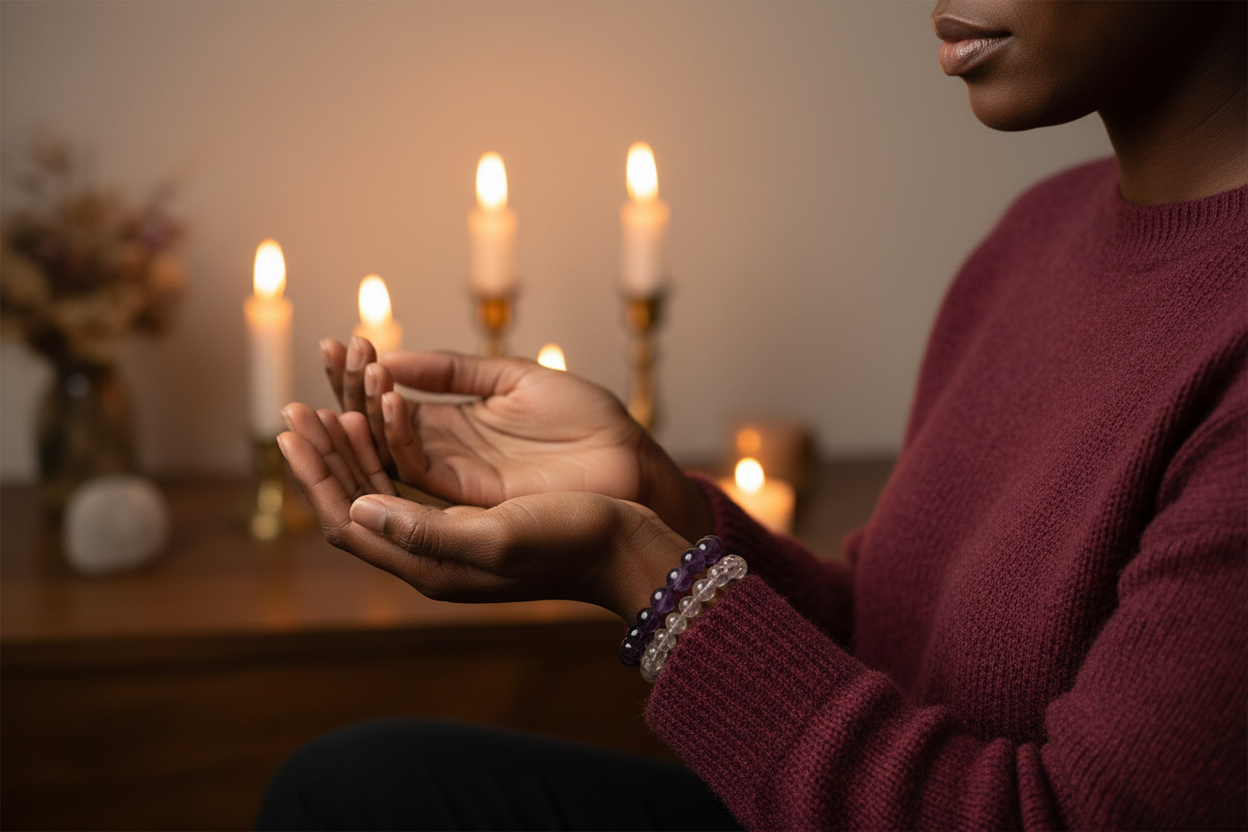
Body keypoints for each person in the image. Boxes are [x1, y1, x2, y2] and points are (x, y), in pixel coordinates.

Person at [259, 0, 1247, 828]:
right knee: (358, 790)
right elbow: (891, 640)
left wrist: (645, 574)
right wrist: (659, 507)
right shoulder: (1036, 237)